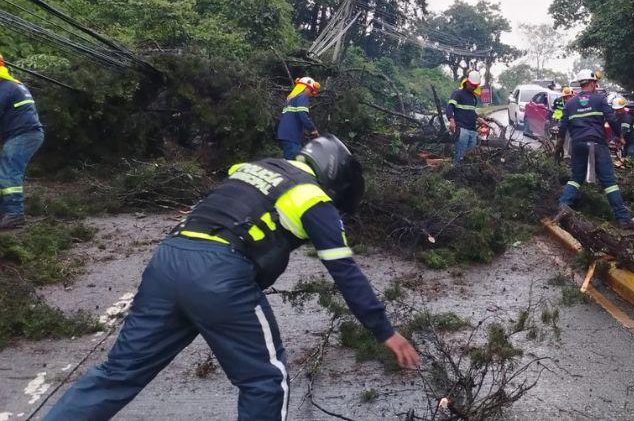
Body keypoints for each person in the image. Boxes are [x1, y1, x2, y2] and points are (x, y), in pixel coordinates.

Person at [46, 135, 419, 420]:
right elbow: (345, 272)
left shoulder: (257, 168)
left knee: (118, 373)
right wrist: (384, 330)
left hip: (168, 260)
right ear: (335, 178)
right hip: (220, 275)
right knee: (264, 381)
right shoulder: (313, 198)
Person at [556, 69, 634, 227]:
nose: (596, 86)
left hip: (578, 144)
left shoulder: (570, 103)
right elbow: (612, 119)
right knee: (608, 181)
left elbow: (562, 128)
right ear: (592, 83)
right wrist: (619, 137)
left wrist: (559, 148)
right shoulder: (599, 100)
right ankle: (623, 218)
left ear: (581, 84)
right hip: (597, 143)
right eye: (595, 83)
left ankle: (562, 208)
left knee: (576, 178)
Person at [0, 54, 44, 230]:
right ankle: (6, 212)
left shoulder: (4, 88)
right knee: (6, 170)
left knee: (8, 171)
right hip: (28, 133)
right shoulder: (13, 84)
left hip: (24, 134)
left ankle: (14, 215)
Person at [276, 76, 320, 160]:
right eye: (311, 90)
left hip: (285, 135)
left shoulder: (290, 100)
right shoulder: (302, 97)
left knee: (295, 160)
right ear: (305, 87)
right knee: (293, 165)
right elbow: (302, 114)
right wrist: (313, 129)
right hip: (292, 135)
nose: (311, 94)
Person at [446, 70, 485, 163]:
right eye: (472, 85)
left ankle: (467, 175)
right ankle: (456, 174)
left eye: (475, 86)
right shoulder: (458, 93)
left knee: (470, 157)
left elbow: (471, 111)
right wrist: (451, 120)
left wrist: (478, 118)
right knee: (460, 156)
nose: (473, 87)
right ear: (467, 82)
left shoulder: (473, 97)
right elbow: (449, 107)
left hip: (472, 130)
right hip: (462, 129)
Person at [612, 95, 634, 162]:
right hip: (625, 142)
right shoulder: (614, 117)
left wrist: (619, 143)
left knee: (631, 160)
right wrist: (614, 140)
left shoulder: (627, 117)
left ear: (623, 107)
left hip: (632, 142)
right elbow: (613, 130)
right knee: (624, 160)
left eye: (620, 109)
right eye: (617, 110)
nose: (618, 111)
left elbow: (623, 131)